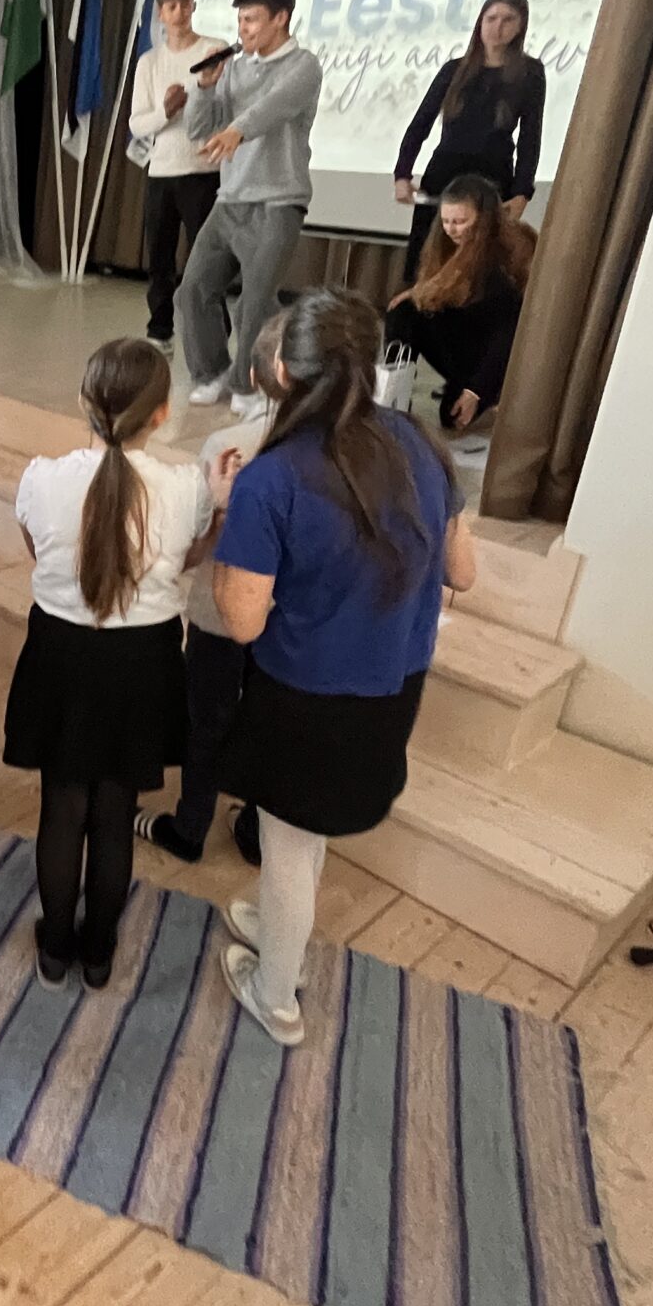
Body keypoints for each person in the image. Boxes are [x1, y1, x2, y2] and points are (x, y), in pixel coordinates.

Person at [209, 288, 476, 1045]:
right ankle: (279, 926)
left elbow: (242, 620)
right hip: (394, 684)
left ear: (283, 373)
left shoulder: (273, 478)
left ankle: (276, 994)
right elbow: (463, 572)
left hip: (305, 693)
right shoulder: (422, 444)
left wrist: (228, 516)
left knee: (290, 845)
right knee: (305, 834)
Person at [4, 339, 226, 990]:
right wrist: (217, 507)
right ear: (162, 414)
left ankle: (55, 949)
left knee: (61, 807)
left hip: (61, 656)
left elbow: (40, 552)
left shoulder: (42, 479)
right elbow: (186, 561)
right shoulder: (185, 489)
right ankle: (98, 954)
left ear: (83, 404)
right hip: (143, 663)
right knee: (114, 812)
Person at [136, 307, 289, 867]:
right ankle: (253, 828)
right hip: (288, 618)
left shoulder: (229, 444)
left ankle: (191, 825)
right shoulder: (332, 455)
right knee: (270, 719)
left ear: (255, 377)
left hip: (220, 610)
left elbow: (202, 526)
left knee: (208, 720)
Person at [179, 0, 324, 422]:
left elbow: (274, 106)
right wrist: (205, 89)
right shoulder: (235, 68)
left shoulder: (303, 65)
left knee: (256, 299)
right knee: (194, 288)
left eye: (253, 20)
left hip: (279, 200)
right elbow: (199, 130)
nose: (243, 29)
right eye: (240, 20)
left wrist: (238, 129)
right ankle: (212, 373)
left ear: (281, 18)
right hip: (230, 198)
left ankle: (251, 382)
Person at [393, 0, 544, 279]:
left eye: (508, 20)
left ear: (521, 26)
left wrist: (522, 193)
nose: (497, 27)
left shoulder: (530, 73)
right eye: (491, 18)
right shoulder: (454, 70)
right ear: (480, 21)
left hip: (492, 180)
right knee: (426, 263)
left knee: (478, 268)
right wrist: (402, 174)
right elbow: (420, 123)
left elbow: (530, 137)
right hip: (444, 176)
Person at [384, 172, 535, 434]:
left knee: (452, 418)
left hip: (491, 358)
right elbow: (441, 289)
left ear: (484, 220)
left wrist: (475, 391)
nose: (451, 229)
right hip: (460, 345)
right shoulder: (443, 245)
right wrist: (418, 294)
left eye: (461, 222)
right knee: (405, 310)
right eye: (446, 221)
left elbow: (505, 337)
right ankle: (394, 391)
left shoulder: (503, 261)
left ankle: (491, 398)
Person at [126, 0, 223, 348]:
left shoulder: (213, 50)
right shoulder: (150, 62)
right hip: (161, 172)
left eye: (186, 4)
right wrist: (166, 111)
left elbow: (224, 107)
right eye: (172, 6)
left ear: (194, 6)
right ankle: (159, 331)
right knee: (160, 261)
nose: (180, 12)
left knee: (208, 261)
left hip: (203, 173)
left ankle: (214, 337)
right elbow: (137, 123)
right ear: (160, 13)